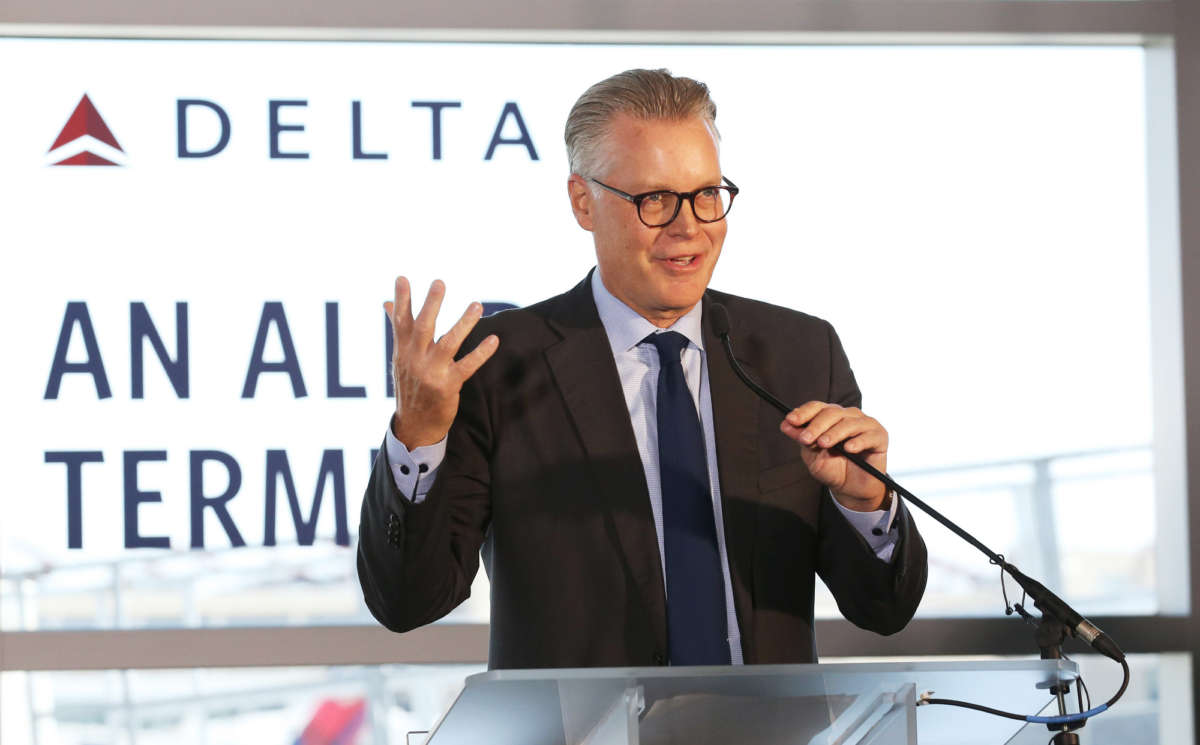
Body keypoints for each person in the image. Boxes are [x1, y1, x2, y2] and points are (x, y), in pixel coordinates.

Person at [357, 69, 926, 670]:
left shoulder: (799, 353)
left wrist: (865, 501)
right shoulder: (499, 366)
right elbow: (407, 602)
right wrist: (418, 436)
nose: (690, 227)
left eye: (707, 194)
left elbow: (883, 611)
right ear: (583, 201)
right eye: (655, 200)